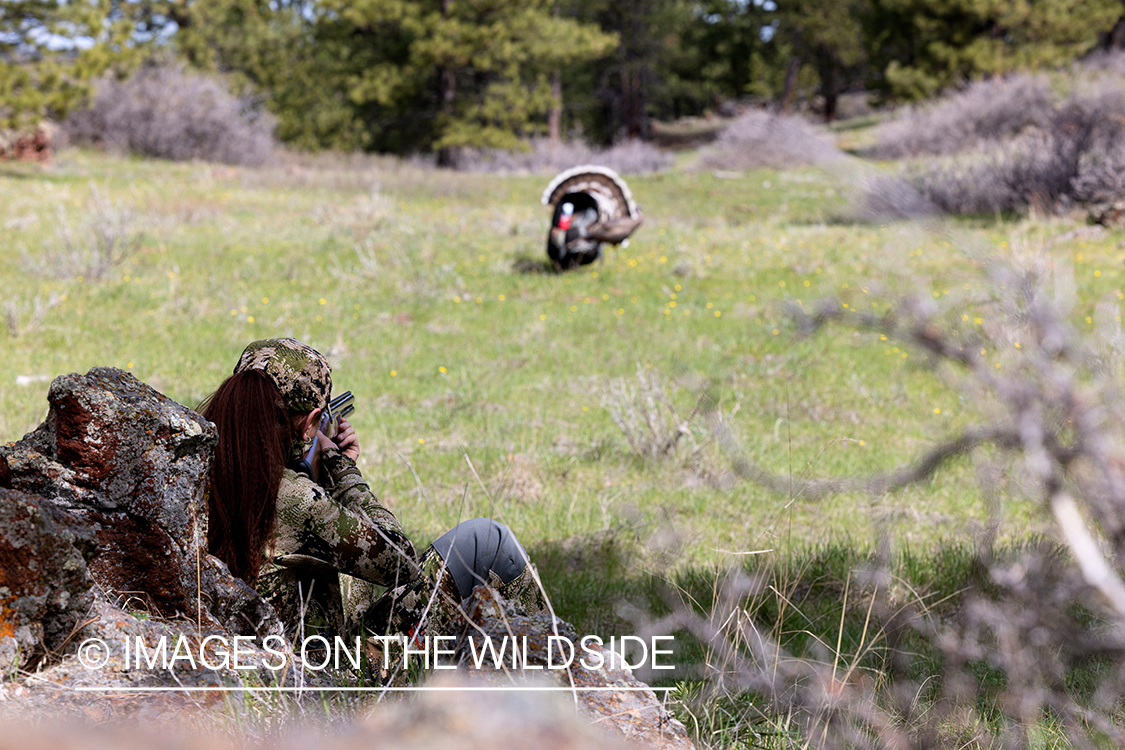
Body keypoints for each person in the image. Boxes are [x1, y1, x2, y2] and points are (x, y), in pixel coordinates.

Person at [198, 337, 544, 642]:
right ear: (310, 422)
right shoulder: (298, 499)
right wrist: (342, 468)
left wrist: (317, 476)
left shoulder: (196, 470)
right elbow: (401, 563)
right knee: (487, 541)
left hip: (264, 653)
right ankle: (563, 677)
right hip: (327, 673)